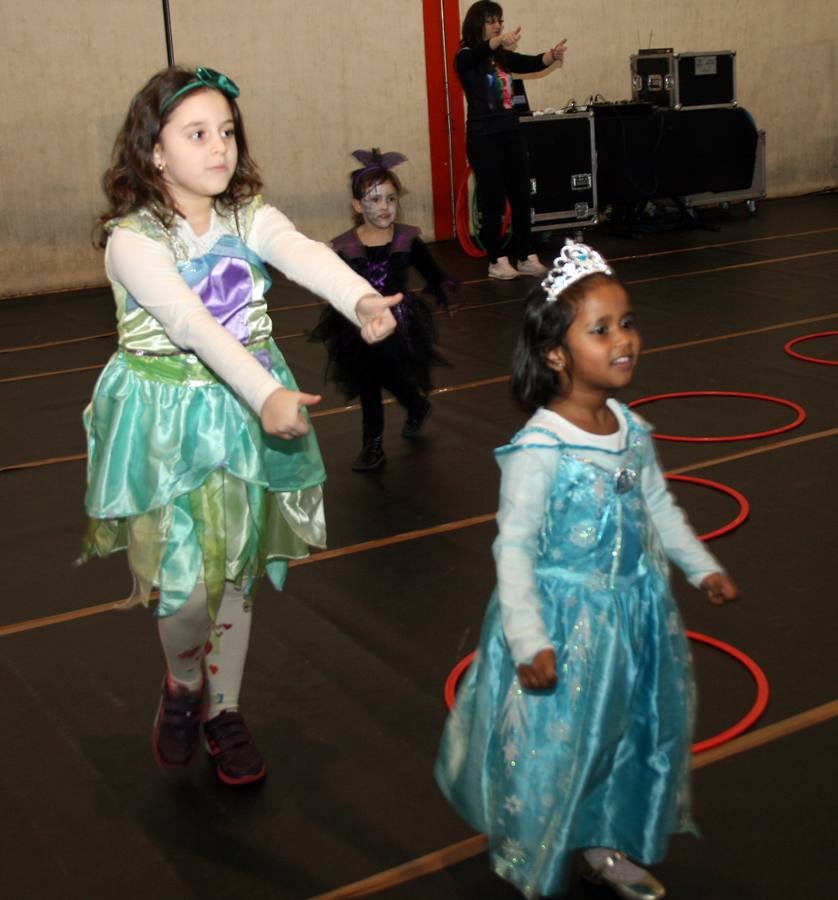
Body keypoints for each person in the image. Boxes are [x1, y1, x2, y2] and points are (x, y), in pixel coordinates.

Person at [80, 66, 399, 787]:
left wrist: (362, 301)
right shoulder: (131, 239)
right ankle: (183, 683)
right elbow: (191, 325)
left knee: (233, 577)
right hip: (167, 420)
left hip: (244, 409)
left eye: (226, 131)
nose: (219, 147)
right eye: (197, 134)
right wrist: (264, 394)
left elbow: (302, 253)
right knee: (184, 590)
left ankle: (223, 708)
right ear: (154, 151)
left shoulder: (245, 213)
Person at [435, 240, 739, 898]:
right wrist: (527, 637)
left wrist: (699, 567)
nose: (624, 340)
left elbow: (658, 507)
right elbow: (512, 547)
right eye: (600, 330)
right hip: (565, 626)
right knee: (558, 747)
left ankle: (606, 842)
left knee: (624, 736)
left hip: (635, 617)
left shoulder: (630, 427)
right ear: (555, 353)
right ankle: (537, 845)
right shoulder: (539, 448)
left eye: (627, 322)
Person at [311, 149, 459, 473]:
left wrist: (445, 293)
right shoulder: (346, 245)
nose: (384, 207)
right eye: (375, 200)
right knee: (368, 382)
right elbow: (333, 280)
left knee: (394, 375)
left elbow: (431, 271)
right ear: (357, 206)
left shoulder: (406, 239)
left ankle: (415, 404)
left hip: (400, 322)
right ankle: (372, 444)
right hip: (359, 324)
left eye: (390, 200)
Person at [456, 2, 567, 281]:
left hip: (510, 132)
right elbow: (476, 55)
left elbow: (529, 62)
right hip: (483, 136)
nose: (498, 25)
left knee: (521, 194)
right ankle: (497, 259)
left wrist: (551, 55)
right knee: (492, 198)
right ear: (477, 23)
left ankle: (524, 254)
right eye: (491, 21)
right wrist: (495, 42)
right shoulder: (466, 55)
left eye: (500, 21)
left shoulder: (502, 57)